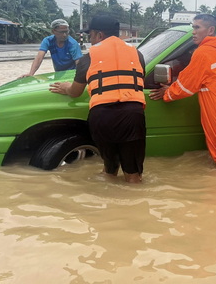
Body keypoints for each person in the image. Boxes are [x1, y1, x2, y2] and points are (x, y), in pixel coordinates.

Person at [149, 14, 216, 169]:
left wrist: (167, 93)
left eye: (197, 27)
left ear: (210, 30)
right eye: (193, 27)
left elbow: (186, 86)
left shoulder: (203, 53)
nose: (193, 32)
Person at [49, 16, 146, 183]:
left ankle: (107, 194)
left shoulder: (88, 58)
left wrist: (65, 87)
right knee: (133, 175)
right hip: (132, 115)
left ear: (99, 35)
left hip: (102, 116)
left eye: (91, 35)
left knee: (109, 170)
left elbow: (75, 92)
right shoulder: (137, 54)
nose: (90, 40)